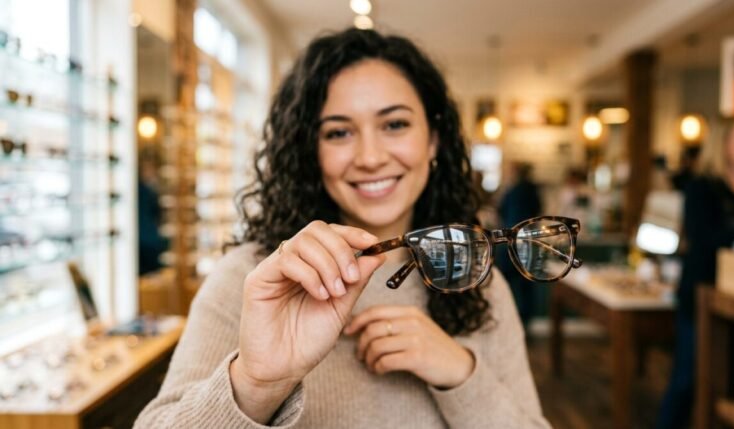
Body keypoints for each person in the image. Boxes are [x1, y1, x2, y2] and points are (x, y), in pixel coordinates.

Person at [136, 28, 549, 428]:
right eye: (339, 132)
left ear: (433, 140)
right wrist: (256, 383)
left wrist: (460, 372)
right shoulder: (255, 280)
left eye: (395, 124)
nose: (370, 157)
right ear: (310, 151)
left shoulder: (478, 280)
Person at [657, 116, 734, 428]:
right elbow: (702, 238)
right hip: (701, 291)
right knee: (687, 377)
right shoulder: (701, 187)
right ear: (723, 145)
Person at [496, 162, 541, 330]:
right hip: (528, 239)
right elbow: (537, 212)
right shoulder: (533, 191)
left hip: (511, 238)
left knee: (505, 282)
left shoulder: (512, 190)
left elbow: (501, 210)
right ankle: (525, 320)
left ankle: (507, 319)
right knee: (525, 282)